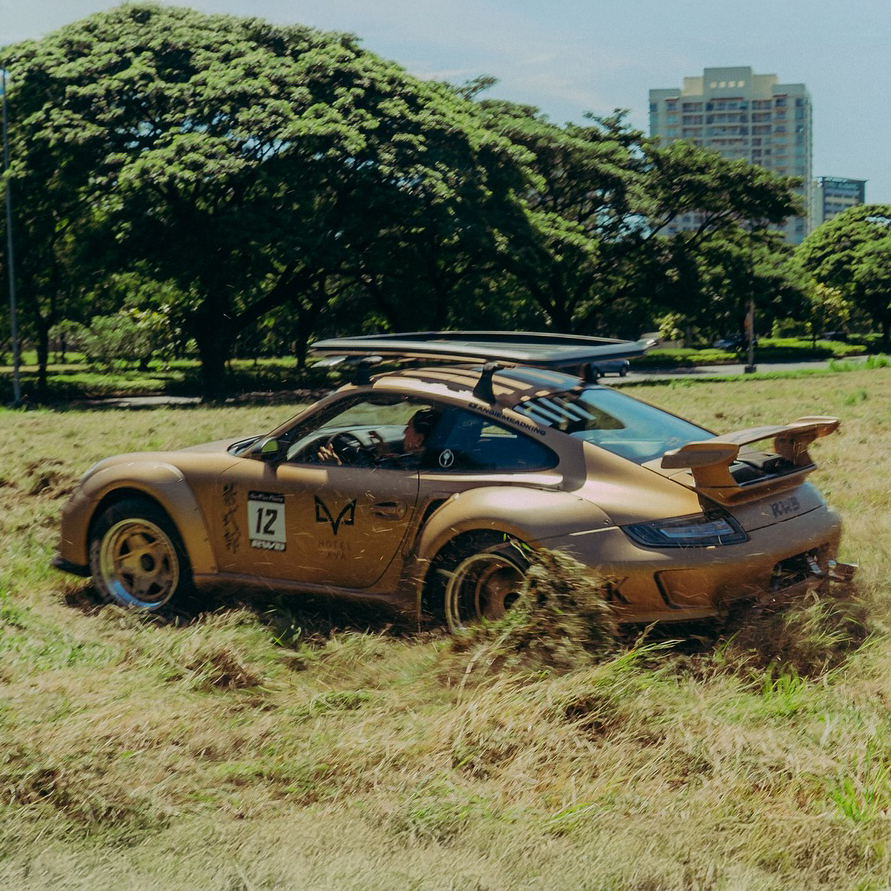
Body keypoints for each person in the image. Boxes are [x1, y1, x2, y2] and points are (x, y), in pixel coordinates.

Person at [317, 407, 441, 466]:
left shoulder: (412, 464)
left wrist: (337, 466)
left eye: (408, 428)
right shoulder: (422, 460)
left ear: (419, 439)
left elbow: (363, 486)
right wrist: (383, 450)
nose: (404, 432)